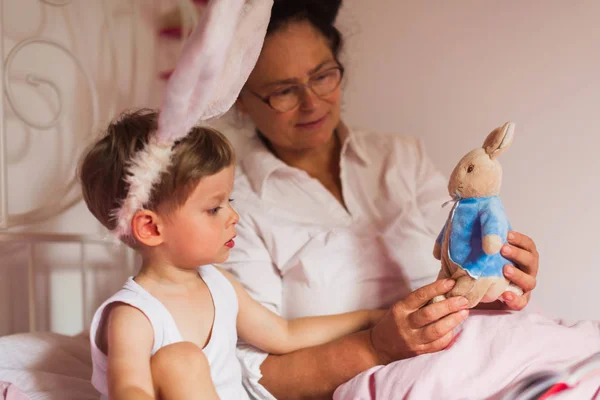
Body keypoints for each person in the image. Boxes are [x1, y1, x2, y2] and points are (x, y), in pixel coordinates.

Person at [221, 1, 540, 399]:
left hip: (473, 368)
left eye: (322, 76)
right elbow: (250, 376)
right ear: (238, 98)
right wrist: (374, 347)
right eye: (283, 91)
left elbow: (461, 266)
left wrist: (503, 283)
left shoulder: (400, 158)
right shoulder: (230, 207)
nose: (312, 102)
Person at [78, 109, 386, 400]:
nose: (234, 216)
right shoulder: (132, 316)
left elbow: (284, 334)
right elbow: (129, 390)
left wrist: (368, 318)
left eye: (230, 200)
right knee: (180, 360)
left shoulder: (218, 283)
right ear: (150, 227)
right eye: (214, 208)